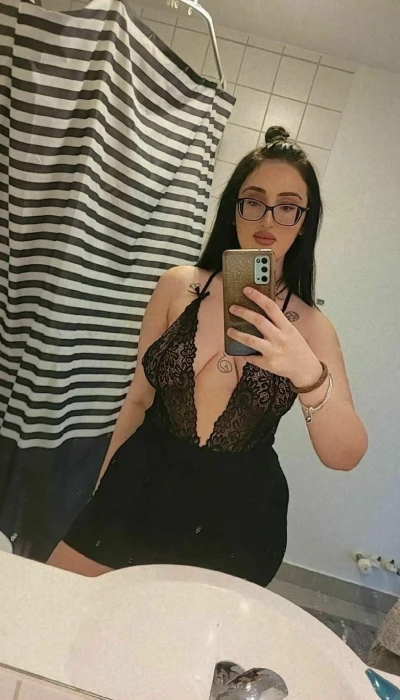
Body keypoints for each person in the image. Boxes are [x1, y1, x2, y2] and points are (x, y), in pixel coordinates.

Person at [47, 126, 368, 584]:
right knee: (68, 606)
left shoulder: (313, 328)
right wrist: (104, 483)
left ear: (304, 221)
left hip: (238, 519)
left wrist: (307, 372)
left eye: (288, 206)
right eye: (254, 200)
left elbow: (345, 456)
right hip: (137, 488)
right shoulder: (177, 286)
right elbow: (138, 398)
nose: (268, 218)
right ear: (234, 209)